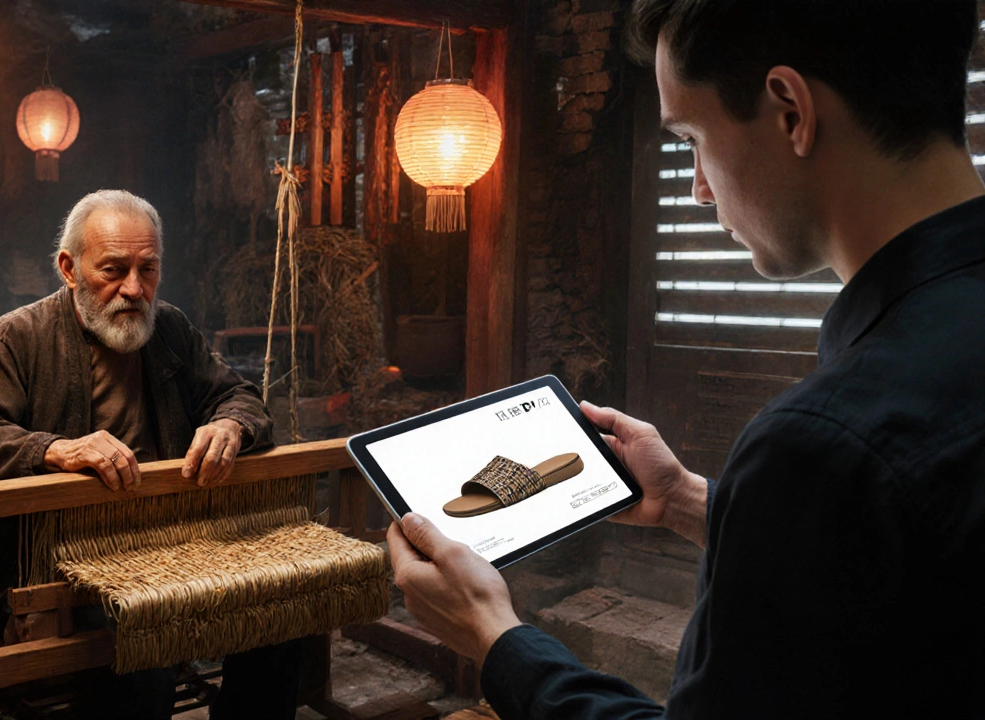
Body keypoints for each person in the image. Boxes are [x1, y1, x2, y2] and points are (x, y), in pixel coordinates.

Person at [387, 1, 985, 717]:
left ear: (790, 111)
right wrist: (690, 502)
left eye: (694, 138)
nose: (699, 188)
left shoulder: (825, 442)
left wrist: (495, 637)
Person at [0, 189, 300, 719]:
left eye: (147, 270)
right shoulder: (17, 337)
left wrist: (231, 424)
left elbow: (239, 396)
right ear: (69, 268)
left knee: (281, 609)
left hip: (169, 542)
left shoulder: (170, 330)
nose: (134, 289)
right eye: (113, 269)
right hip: (54, 561)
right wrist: (55, 449)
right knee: (142, 649)